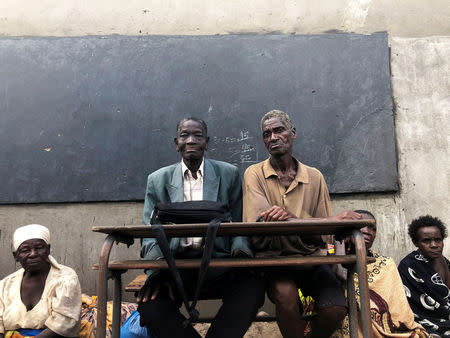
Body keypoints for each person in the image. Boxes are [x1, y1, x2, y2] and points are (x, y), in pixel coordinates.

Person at [138, 117, 265, 338]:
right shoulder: (158, 180)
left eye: (197, 135)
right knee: (150, 306)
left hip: (218, 262)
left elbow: (239, 221)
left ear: (207, 142)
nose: (191, 141)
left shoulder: (228, 174)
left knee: (252, 291)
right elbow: (149, 233)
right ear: (176, 142)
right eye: (184, 135)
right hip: (176, 265)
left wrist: (240, 257)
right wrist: (157, 271)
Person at [243, 109, 361, 338]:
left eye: (279, 130)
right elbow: (260, 225)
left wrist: (292, 220)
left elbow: (325, 235)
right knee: (286, 297)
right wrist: (312, 223)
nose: (273, 137)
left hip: (311, 259)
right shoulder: (254, 173)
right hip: (274, 261)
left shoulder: (314, 176)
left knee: (335, 308)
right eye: (267, 134)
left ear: (293, 133)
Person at [333, 210, 428, 338]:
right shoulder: (332, 257)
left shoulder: (386, 264)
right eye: (361, 226)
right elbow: (342, 276)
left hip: (385, 326)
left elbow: (398, 308)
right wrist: (340, 244)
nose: (367, 231)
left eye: (372, 228)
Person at [0, 224, 81, 338]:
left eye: (38, 248)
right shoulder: (5, 285)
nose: (33, 254)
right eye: (25, 250)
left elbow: (64, 323)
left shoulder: (66, 278)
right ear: (16, 256)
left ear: (48, 250)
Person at [398, 215, 450, 337]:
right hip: (425, 322)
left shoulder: (444, 261)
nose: (434, 245)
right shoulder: (408, 266)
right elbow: (407, 303)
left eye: (438, 240)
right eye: (426, 241)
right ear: (416, 242)